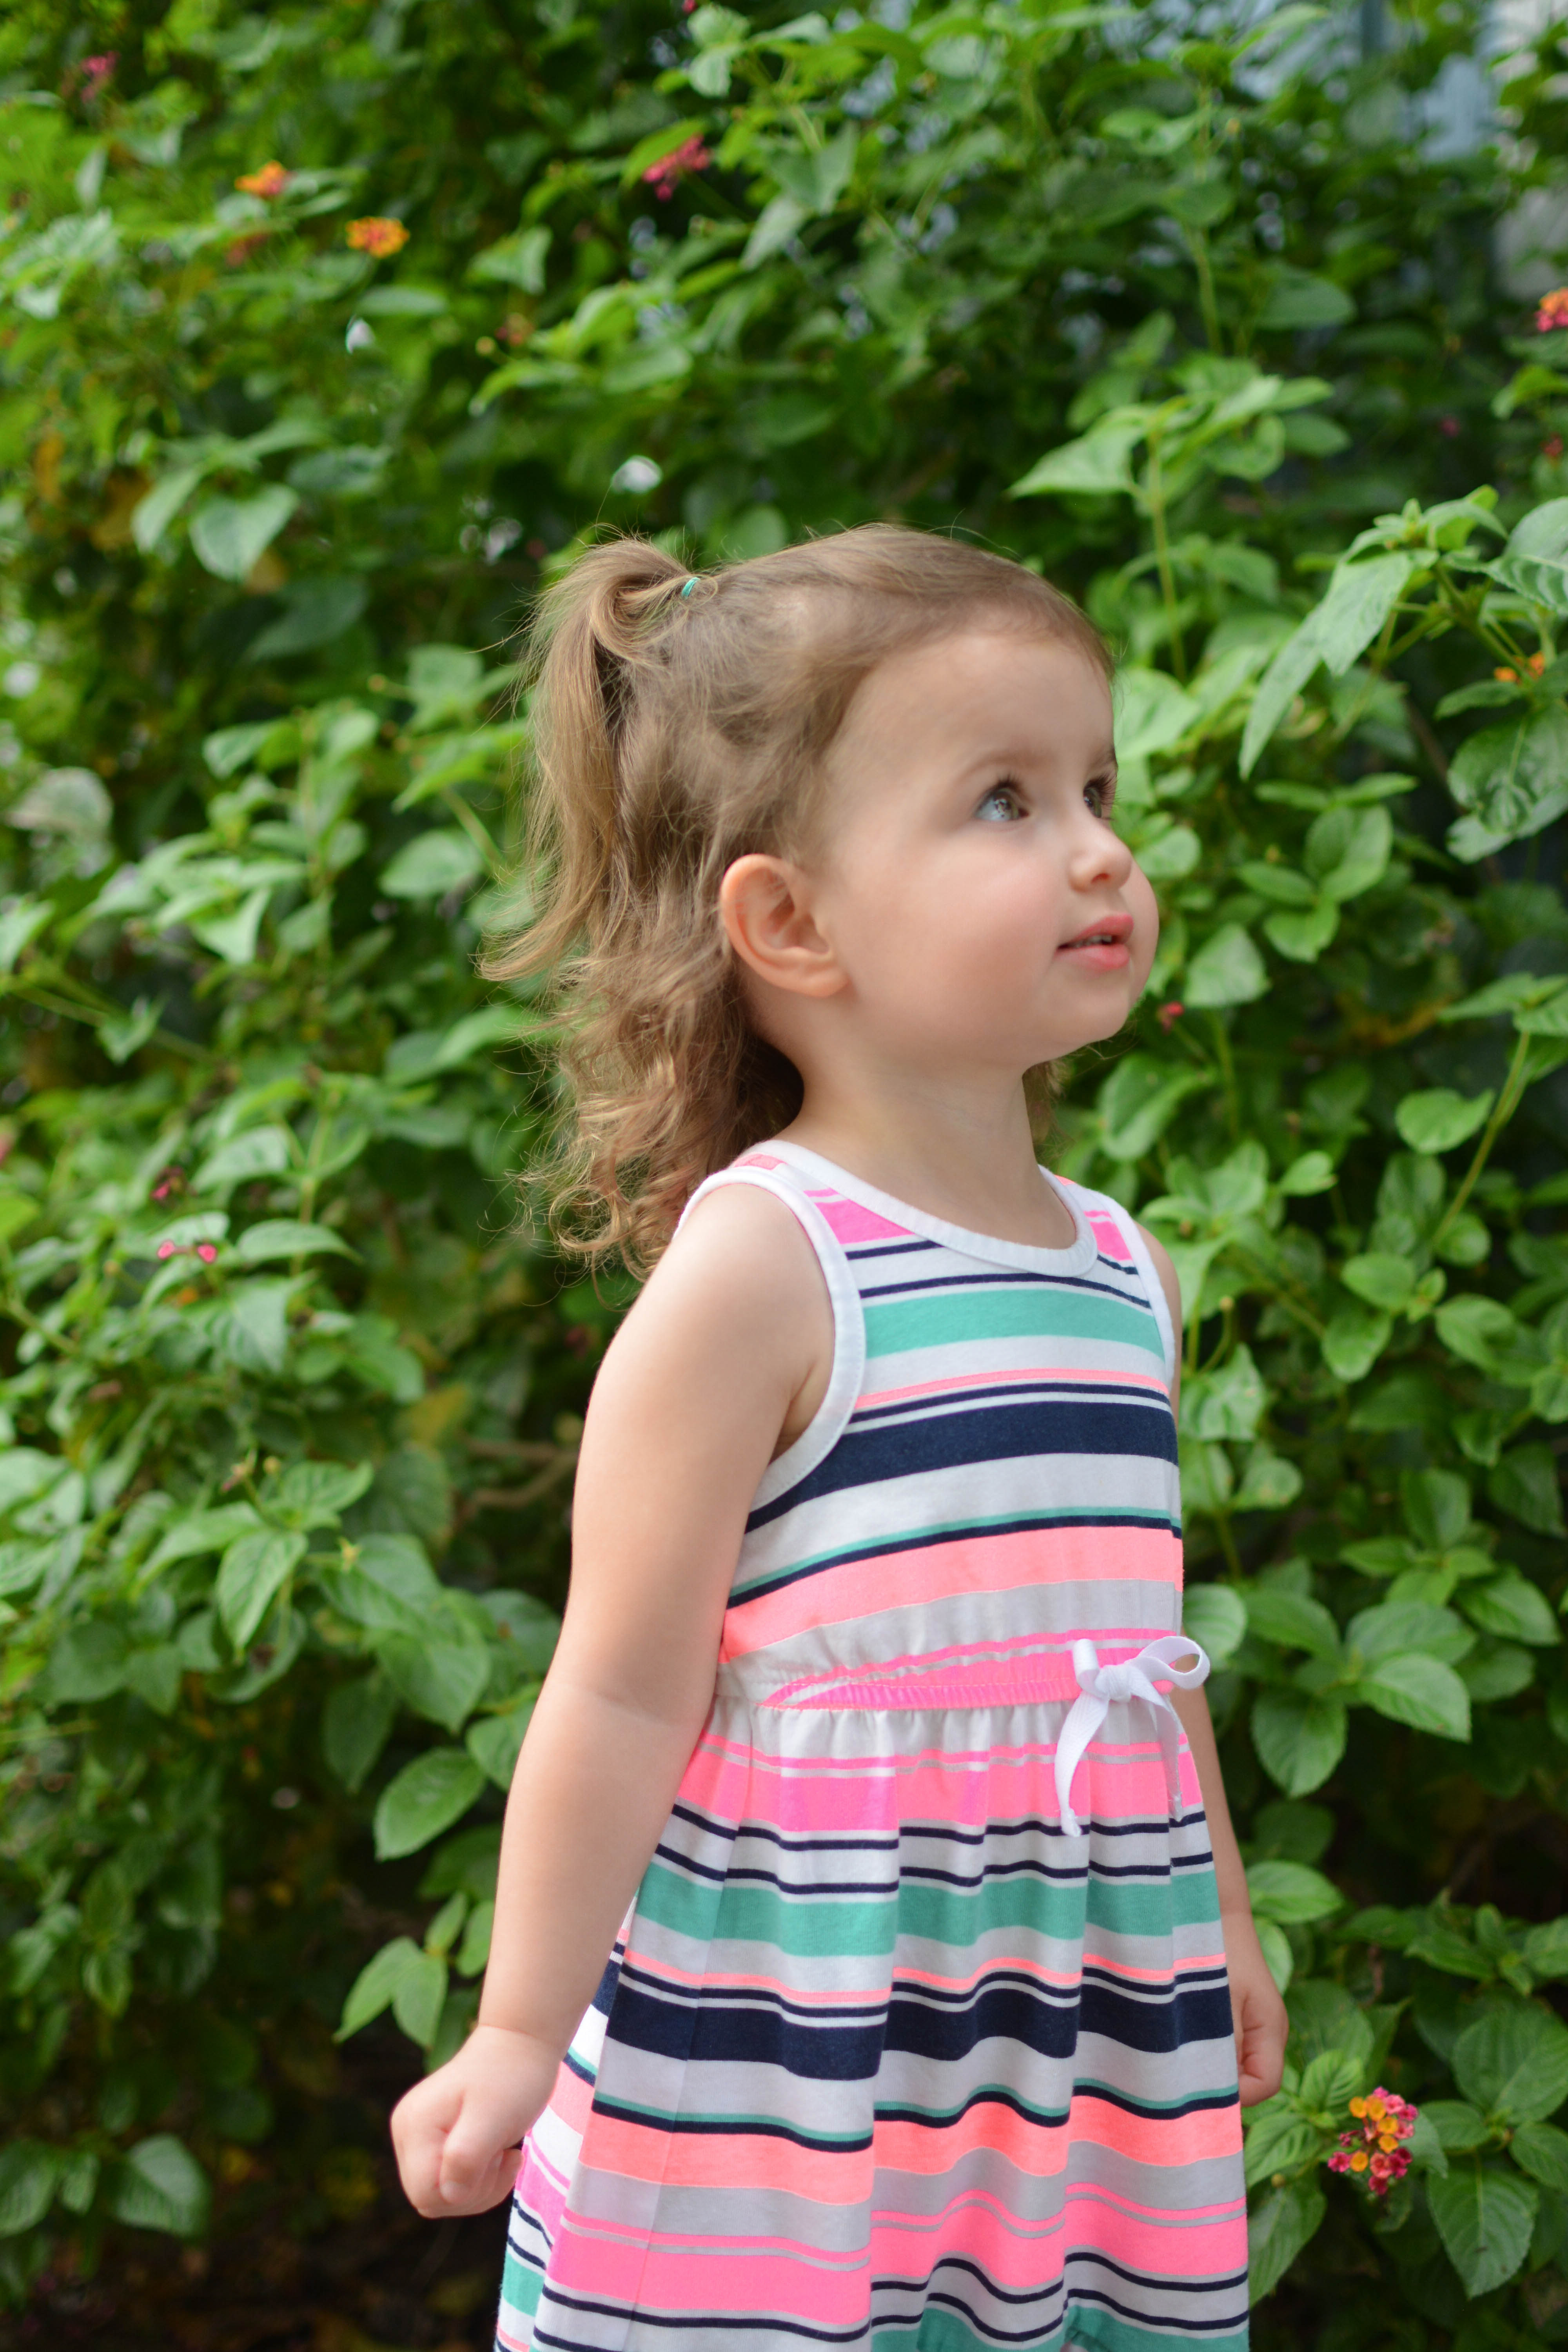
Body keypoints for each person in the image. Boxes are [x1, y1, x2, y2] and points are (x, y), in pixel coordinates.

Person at [390, 525, 1287, 2352]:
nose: (1098, 850)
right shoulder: (768, 1270)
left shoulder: (1120, 1269)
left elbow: (1136, 1660)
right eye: (1004, 802)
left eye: (1096, 788)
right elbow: (618, 1692)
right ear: (790, 923)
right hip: (798, 2051)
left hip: (1067, 2037)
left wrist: (1222, 1923)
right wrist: (515, 2027)